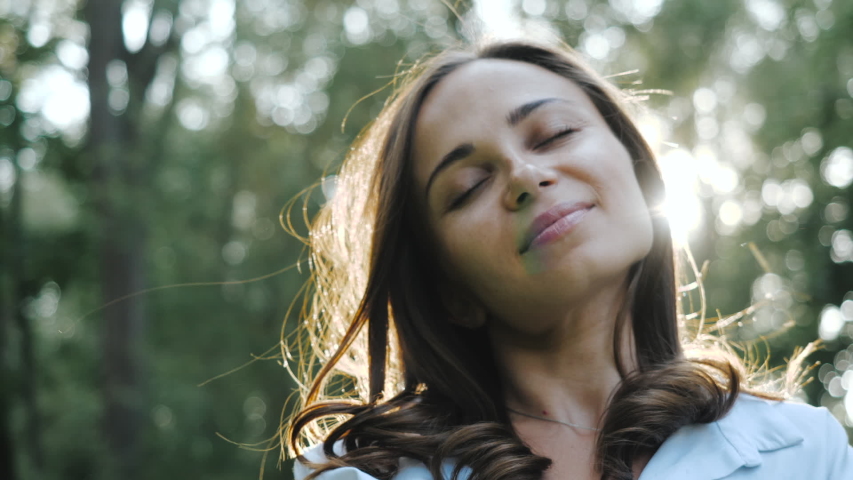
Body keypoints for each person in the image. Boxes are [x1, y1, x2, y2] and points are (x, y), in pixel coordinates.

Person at [283, 39, 853, 480]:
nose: (525, 176)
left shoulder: (806, 451)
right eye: (469, 186)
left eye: (554, 134)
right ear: (448, 291)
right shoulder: (362, 474)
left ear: (638, 170)